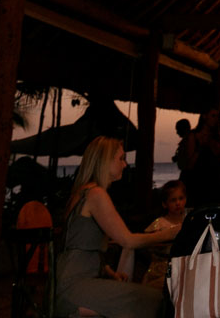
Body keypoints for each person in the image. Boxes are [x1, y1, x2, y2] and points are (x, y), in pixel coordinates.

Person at [55, 136, 179, 318]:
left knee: (142, 297)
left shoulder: (82, 192)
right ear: (105, 160)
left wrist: (109, 272)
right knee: (156, 300)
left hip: (66, 285)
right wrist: (171, 233)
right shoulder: (96, 194)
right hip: (75, 289)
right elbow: (128, 241)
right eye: (121, 158)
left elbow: (78, 247)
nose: (125, 164)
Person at [138, 180, 187, 288]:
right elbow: (147, 245)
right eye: (173, 200)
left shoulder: (189, 220)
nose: (178, 203)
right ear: (164, 204)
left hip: (184, 267)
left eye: (181, 198)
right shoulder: (159, 224)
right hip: (161, 270)